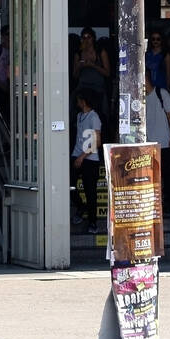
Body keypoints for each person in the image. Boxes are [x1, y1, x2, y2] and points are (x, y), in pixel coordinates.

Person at [144, 71, 170, 216]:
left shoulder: (161, 93)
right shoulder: (141, 98)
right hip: (149, 143)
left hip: (163, 141)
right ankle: (156, 202)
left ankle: (168, 202)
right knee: (152, 175)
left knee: (166, 174)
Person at [71, 90, 102, 233]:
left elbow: (97, 141)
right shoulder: (79, 116)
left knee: (91, 191)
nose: (77, 103)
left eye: (79, 100)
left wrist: (82, 157)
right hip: (77, 154)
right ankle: (80, 206)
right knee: (69, 185)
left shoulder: (94, 116)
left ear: (84, 101)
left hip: (89, 158)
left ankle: (93, 222)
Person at [73, 28, 111, 126]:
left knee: (99, 115)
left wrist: (93, 65)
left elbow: (107, 73)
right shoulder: (79, 54)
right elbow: (75, 75)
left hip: (98, 88)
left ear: (93, 38)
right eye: (84, 37)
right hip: (83, 88)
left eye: (89, 37)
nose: (86, 40)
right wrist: (79, 67)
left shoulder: (100, 52)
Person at [145, 29, 170, 95]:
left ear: (162, 40)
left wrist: (168, 89)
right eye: (153, 39)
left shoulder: (166, 55)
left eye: (158, 39)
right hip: (148, 87)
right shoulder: (147, 54)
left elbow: (169, 75)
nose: (155, 41)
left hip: (161, 87)